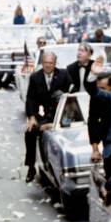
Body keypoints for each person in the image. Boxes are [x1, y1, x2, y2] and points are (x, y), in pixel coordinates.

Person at [24, 52, 72, 182]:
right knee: (30, 132)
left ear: (55, 63)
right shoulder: (35, 77)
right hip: (44, 114)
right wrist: (32, 117)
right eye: (45, 63)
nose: (48, 66)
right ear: (42, 63)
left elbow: (71, 95)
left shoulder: (64, 75)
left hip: (62, 114)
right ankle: (31, 167)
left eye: (50, 63)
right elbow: (30, 99)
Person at [89, 72, 111, 163]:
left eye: (102, 89)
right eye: (98, 88)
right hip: (107, 142)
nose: (99, 92)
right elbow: (93, 123)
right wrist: (95, 150)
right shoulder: (96, 99)